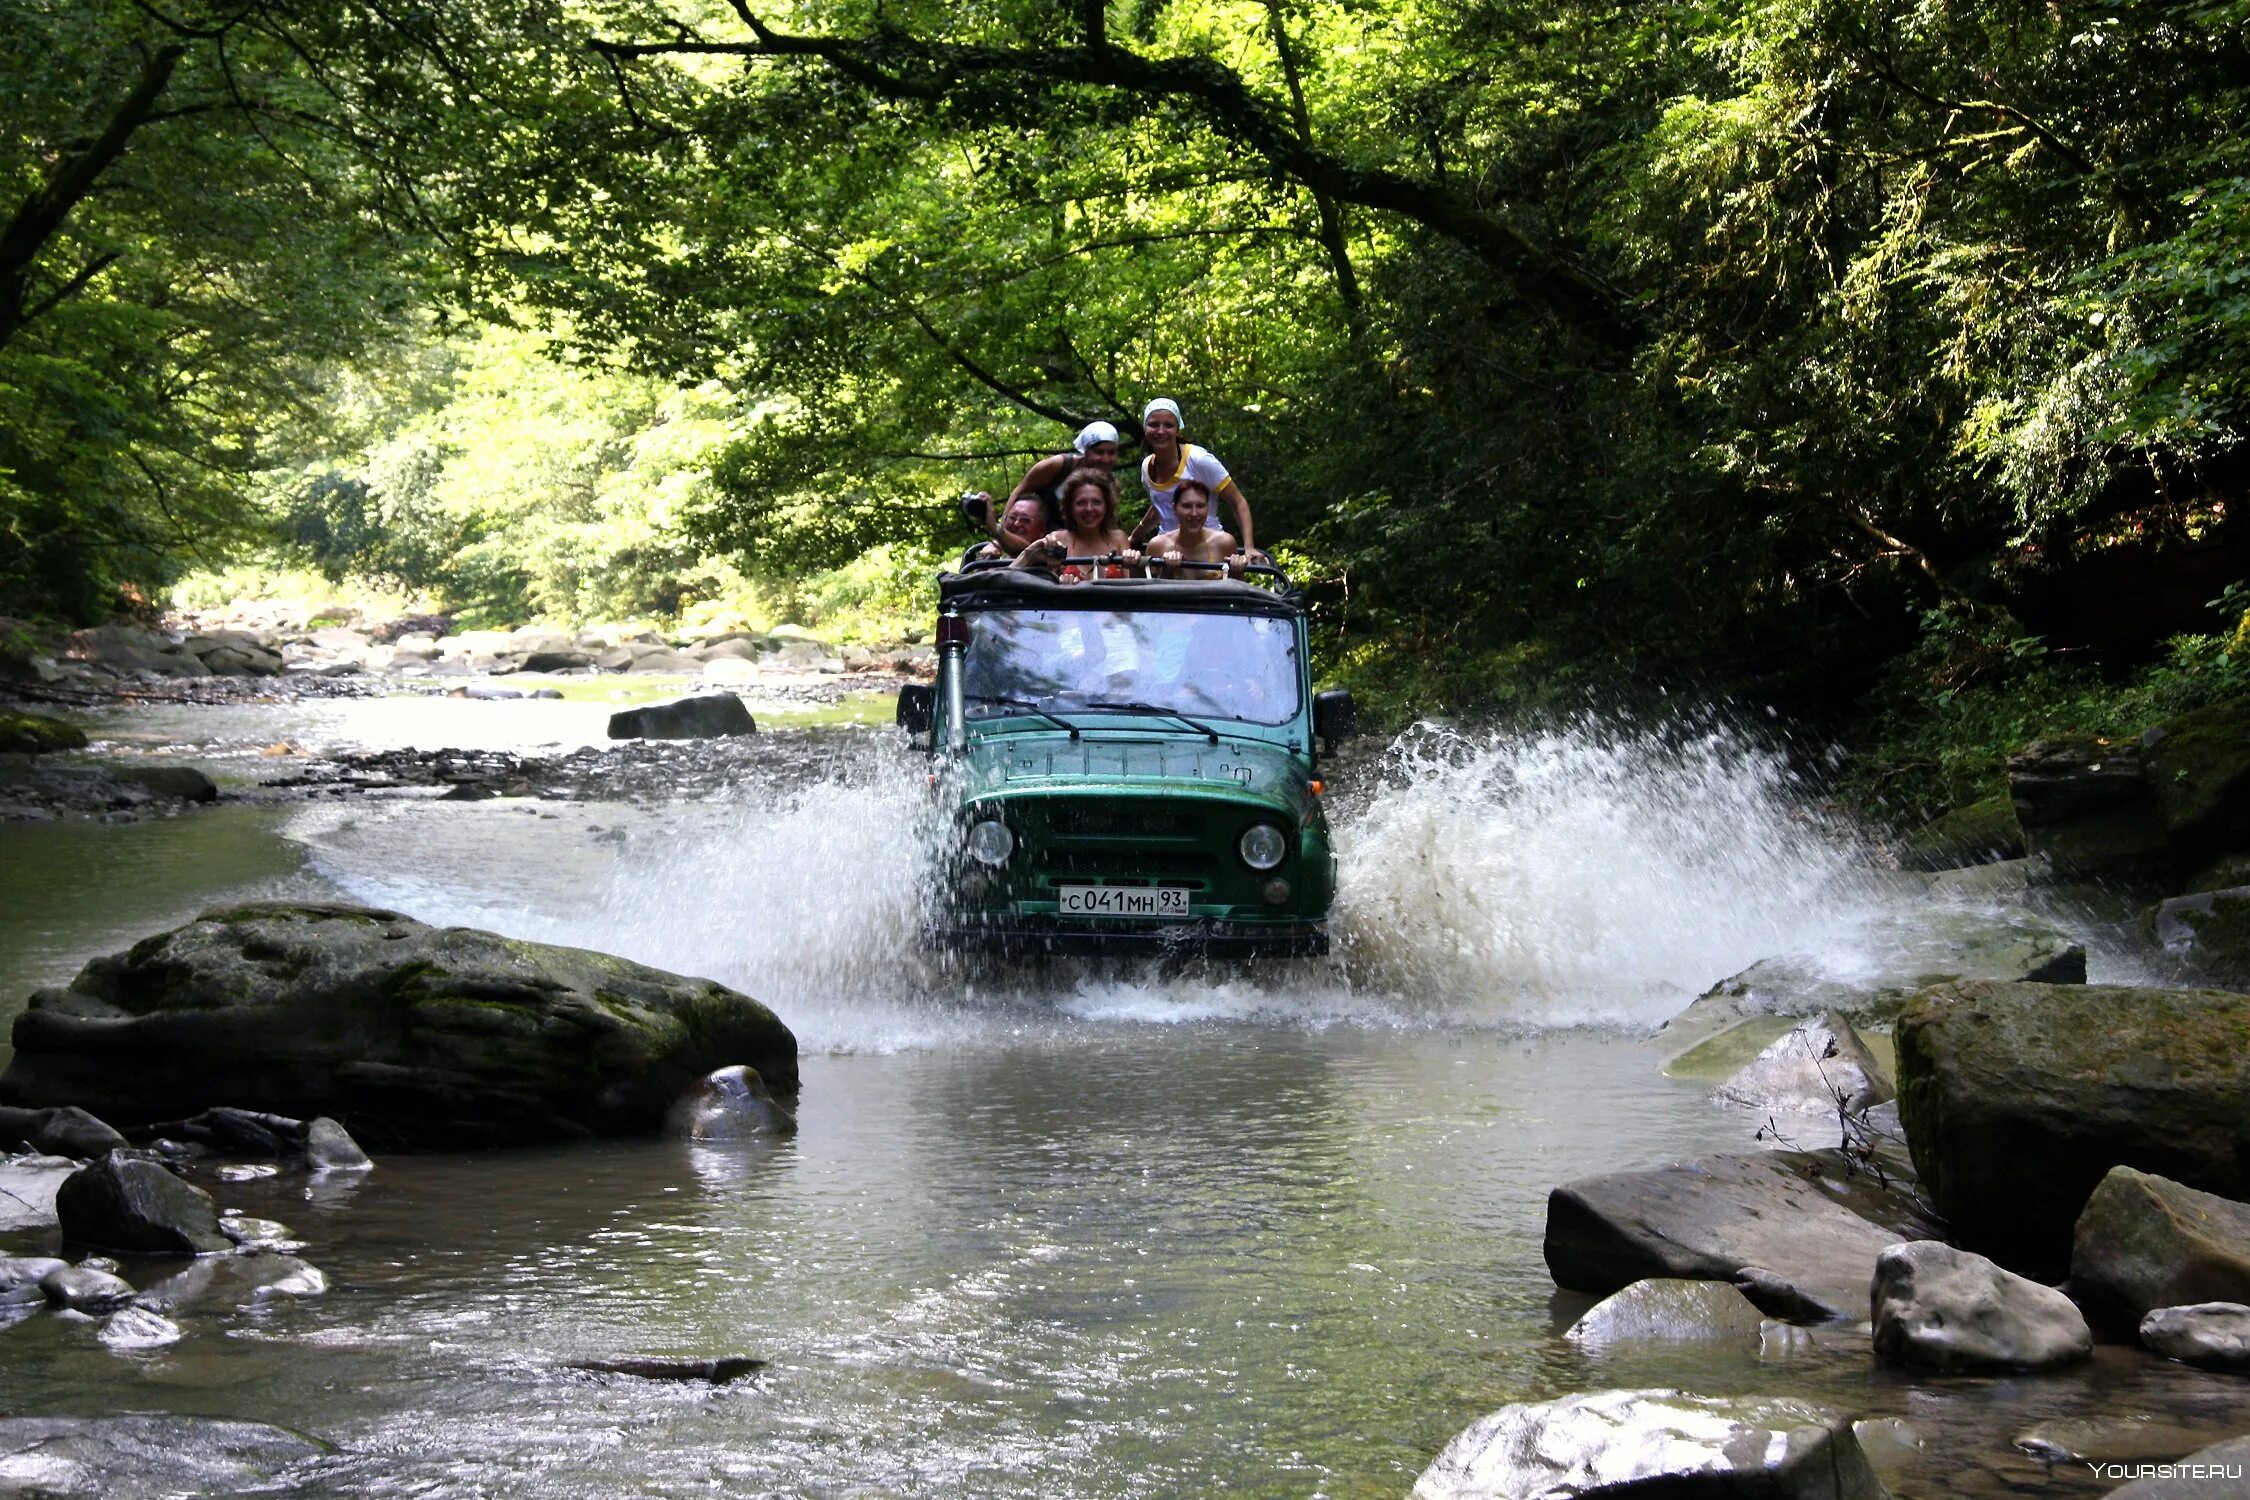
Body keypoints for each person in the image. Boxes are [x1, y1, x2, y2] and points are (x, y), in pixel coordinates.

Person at [967, 420, 1121, 555]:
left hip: (1071, 542)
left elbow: (1108, 522)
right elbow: (1019, 493)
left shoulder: (1111, 485)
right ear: (1086, 452)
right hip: (1036, 535)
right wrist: (1000, 538)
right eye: (1099, 452)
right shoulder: (1058, 465)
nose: (1106, 459)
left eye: (1111, 453)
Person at [1129, 398, 1254, 554]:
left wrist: (1249, 547)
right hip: (1167, 552)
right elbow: (1161, 506)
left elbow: (1238, 502)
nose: (1161, 431)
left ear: (1178, 429)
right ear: (1145, 428)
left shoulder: (1199, 460)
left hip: (1208, 549)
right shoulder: (1147, 467)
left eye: (1168, 425)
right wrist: (1134, 537)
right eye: (1154, 424)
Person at [1014, 467, 1139, 582]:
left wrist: (1132, 562)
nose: (1089, 509)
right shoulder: (1057, 539)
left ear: (1106, 506)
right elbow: (1045, 584)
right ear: (1070, 507)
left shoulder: (1118, 539)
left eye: (1096, 502)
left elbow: (1130, 586)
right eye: (1081, 503)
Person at [1145, 480, 1245, 578]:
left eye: (1200, 506)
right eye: (1186, 506)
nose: (1194, 513)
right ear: (1174, 509)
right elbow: (1147, 590)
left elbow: (1237, 590)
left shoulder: (1224, 543)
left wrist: (1237, 570)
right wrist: (1166, 571)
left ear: (1208, 508)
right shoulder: (1157, 545)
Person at [970, 497, 1050, 563]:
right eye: (1012, 517)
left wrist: (994, 527)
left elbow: (1027, 549)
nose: (1016, 524)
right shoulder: (996, 553)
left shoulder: (1048, 559)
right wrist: (984, 562)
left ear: (1042, 531)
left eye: (1025, 520)